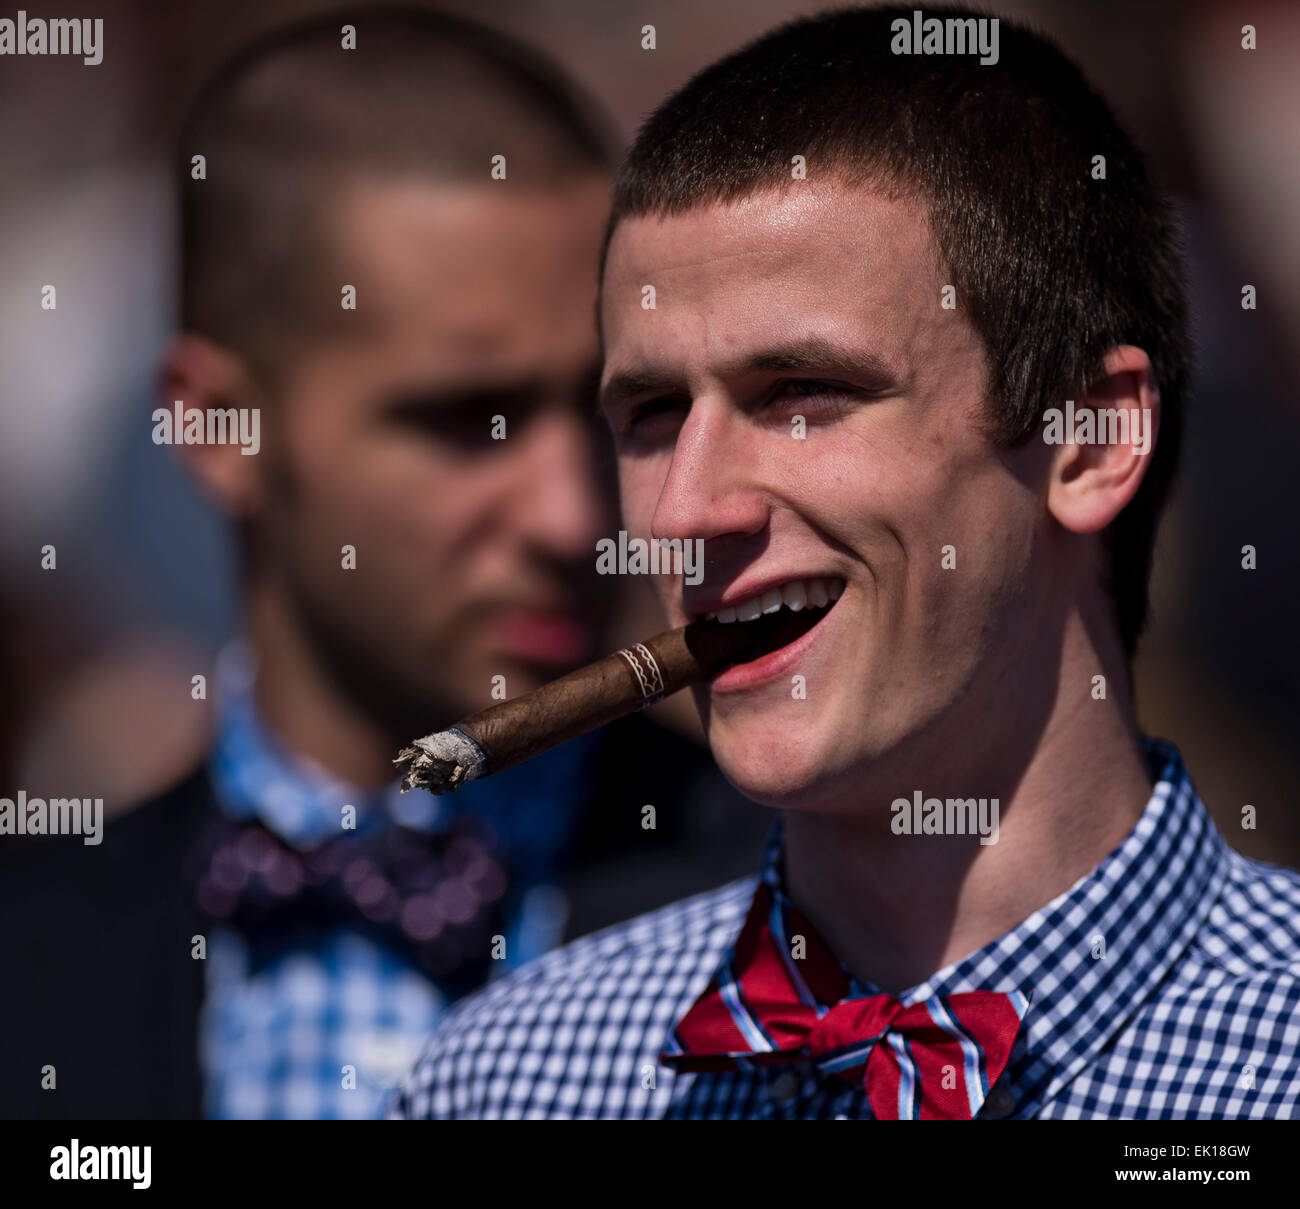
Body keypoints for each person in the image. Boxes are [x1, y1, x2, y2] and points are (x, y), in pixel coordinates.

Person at [391, 5, 1300, 1120]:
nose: (684, 510)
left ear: (1089, 438)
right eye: (651, 412)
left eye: (803, 395)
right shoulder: (507, 1083)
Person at [0, 7, 762, 1121]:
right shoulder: (34, 953)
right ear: (220, 426)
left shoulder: (814, 921)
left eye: (611, 406)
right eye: (468, 419)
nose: (571, 515)